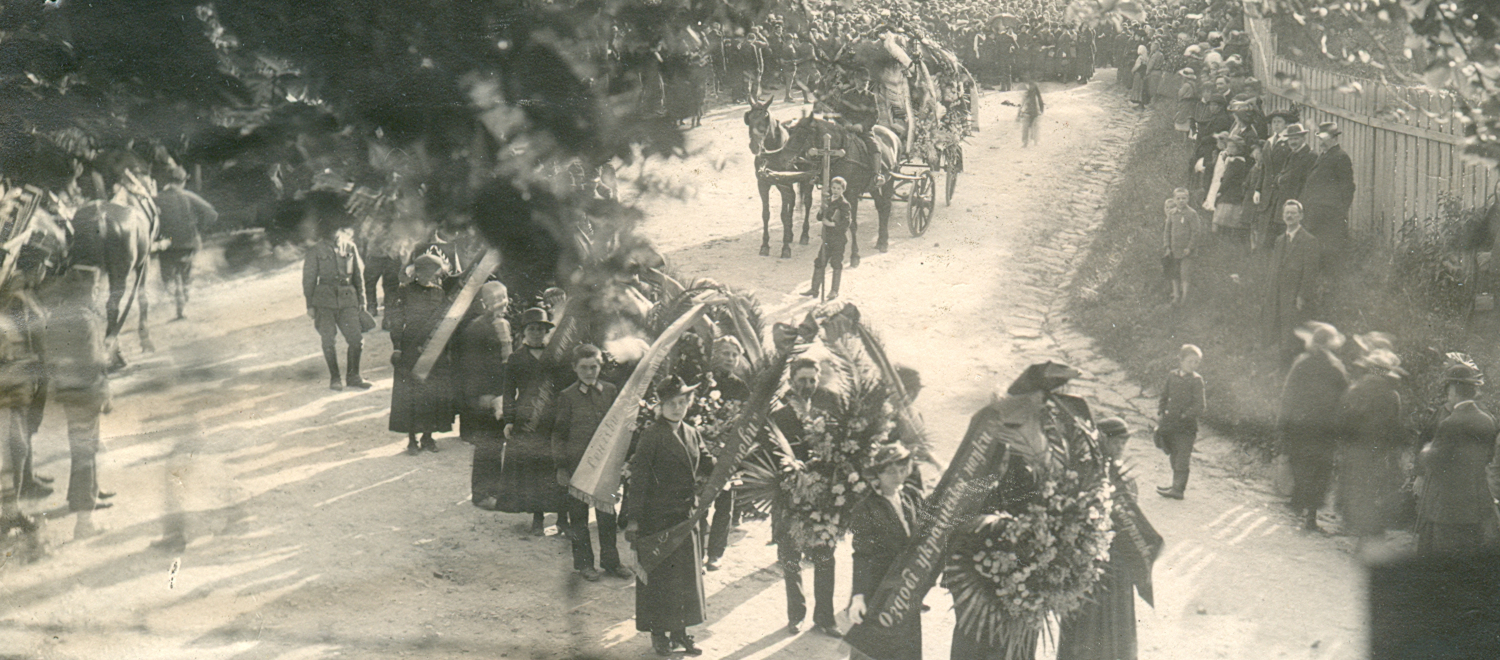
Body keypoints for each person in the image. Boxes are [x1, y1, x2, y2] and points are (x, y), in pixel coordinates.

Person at [1057, 417, 1161, 660]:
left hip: (1119, 561)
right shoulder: (1085, 471)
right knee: (1088, 622)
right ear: (1101, 441)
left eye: (1124, 441)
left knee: (1116, 620)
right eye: (1117, 441)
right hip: (1091, 560)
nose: (1121, 446)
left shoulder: (1123, 474)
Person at [626, 375, 714, 657]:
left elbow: (705, 461)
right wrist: (634, 519)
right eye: (671, 403)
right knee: (661, 577)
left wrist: (726, 465)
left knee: (685, 577)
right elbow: (638, 479)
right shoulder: (652, 435)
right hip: (658, 518)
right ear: (660, 406)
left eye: (682, 402)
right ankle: (658, 634)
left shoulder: (691, 431)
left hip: (685, 517)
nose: (678, 408)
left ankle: (680, 631)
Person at [770, 357, 842, 638]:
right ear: (791, 382)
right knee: (791, 558)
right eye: (802, 380)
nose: (808, 385)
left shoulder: (828, 414)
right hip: (791, 499)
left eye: (813, 380)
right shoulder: (780, 418)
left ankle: (824, 617)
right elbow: (771, 459)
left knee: (826, 558)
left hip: (824, 500)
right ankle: (795, 615)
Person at [552, 343, 632, 582]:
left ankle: (611, 562)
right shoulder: (567, 396)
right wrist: (561, 467)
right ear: (575, 368)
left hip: (605, 466)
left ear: (601, 366)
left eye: (594, 366)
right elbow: (559, 434)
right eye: (584, 367)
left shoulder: (610, 391)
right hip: (579, 468)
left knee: (607, 517)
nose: (590, 372)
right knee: (578, 518)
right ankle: (584, 564)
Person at [845, 442, 923, 660]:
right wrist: (858, 596)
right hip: (878, 589)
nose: (898, 476)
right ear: (877, 475)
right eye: (890, 472)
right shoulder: (866, 508)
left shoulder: (912, 496)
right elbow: (862, 554)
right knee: (873, 650)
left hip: (906, 589)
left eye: (902, 469)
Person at [1416, 363, 1497, 556]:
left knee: (1442, 554)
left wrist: (1427, 450)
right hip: (1475, 503)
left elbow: (1435, 460)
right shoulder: (1488, 420)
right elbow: (1489, 457)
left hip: (1447, 505)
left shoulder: (1450, 422)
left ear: (1453, 391)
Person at [499, 307, 566, 535]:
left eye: (541, 329)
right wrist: (509, 420)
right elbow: (508, 392)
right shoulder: (516, 358)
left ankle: (562, 517)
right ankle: (538, 517)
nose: (537, 333)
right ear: (524, 332)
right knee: (535, 470)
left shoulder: (555, 356)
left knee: (558, 466)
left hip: (554, 418)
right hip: (528, 422)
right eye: (532, 329)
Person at [1278, 322, 1350, 532]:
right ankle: (1310, 515)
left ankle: (1299, 507)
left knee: (1301, 464)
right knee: (1319, 470)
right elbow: (1344, 400)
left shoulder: (1302, 363)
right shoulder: (1336, 367)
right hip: (1324, 428)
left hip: (1301, 425)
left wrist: (1283, 424)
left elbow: (1288, 396)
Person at [1336, 348, 1407, 552]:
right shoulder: (1392, 395)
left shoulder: (1355, 389)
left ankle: (1358, 533)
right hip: (1379, 452)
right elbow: (1395, 427)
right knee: (1374, 491)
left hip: (1355, 449)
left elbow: (1341, 420)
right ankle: (1368, 537)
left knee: (1356, 490)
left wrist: (1345, 442)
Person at [388, 254, 456, 454]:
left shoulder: (439, 293)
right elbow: (397, 320)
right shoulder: (405, 291)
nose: (428, 276)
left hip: (434, 348)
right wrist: (397, 346)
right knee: (411, 393)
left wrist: (447, 350)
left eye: (432, 272)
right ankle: (412, 439)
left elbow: (445, 324)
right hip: (410, 347)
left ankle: (428, 437)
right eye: (423, 272)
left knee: (431, 392)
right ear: (416, 272)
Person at [455, 281, 511, 510]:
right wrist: (483, 395)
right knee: (487, 444)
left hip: (503, 392)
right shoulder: (476, 328)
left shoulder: (505, 324)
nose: (501, 303)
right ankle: (481, 494)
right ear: (483, 302)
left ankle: (496, 490)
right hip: (487, 395)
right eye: (495, 298)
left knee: (498, 444)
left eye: (503, 297)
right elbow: (471, 367)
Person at [302, 209, 371, 391]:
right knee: (328, 340)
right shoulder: (315, 251)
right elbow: (308, 280)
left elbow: (358, 276)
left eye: (334, 227)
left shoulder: (349, 247)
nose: (332, 231)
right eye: (327, 227)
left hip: (348, 299)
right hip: (324, 301)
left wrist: (362, 301)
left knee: (356, 339)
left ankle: (354, 376)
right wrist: (310, 305)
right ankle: (335, 378)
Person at [152, 166, 215, 320]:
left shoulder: (156, 199)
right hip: (188, 243)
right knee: (185, 274)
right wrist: (198, 229)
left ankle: (176, 301)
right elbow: (211, 213)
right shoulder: (188, 196)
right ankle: (182, 304)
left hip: (167, 245)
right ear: (183, 181)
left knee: (169, 279)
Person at [1265, 200, 1321, 366]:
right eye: (1286, 213)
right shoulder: (1280, 240)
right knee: (1281, 330)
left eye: (1293, 213)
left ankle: (1295, 369)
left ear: (1301, 216)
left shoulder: (1309, 241)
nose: (1289, 216)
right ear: (1283, 216)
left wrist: (1302, 295)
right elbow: (1274, 268)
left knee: (1294, 332)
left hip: (1295, 295)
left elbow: (1310, 272)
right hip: (1278, 294)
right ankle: (1282, 369)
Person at [1156, 344, 1206, 499]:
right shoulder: (1172, 376)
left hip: (1186, 427)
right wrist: (1161, 411)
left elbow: (1200, 406)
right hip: (1170, 423)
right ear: (1181, 360)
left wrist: (1185, 415)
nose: (1193, 365)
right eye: (1190, 361)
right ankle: (1175, 484)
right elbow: (1164, 395)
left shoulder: (1197, 381)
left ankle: (1178, 490)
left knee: (1182, 458)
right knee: (1174, 454)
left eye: (1196, 362)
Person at [1300, 122, 1356, 248]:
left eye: (1325, 139)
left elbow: (1348, 188)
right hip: (1316, 215)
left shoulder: (1340, 157)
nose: (1321, 143)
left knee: (1329, 252)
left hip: (1330, 217)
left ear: (1335, 138)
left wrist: (1338, 213)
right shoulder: (1324, 155)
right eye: (1320, 139)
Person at [802, 177, 851, 301]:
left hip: (838, 239)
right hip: (827, 238)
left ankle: (834, 291)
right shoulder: (828, 200)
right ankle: (814, 289)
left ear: (843, 190)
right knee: (820, 262)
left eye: (838, 188)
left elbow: (846, 223)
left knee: (836, 262)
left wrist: (831, 224)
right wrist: (821, 209)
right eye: (833, 188)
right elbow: (819, 217)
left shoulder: (844, 204)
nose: (835, 190)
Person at [1270, 124, 1317, 237]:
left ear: (1303, 138)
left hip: (1297, 203)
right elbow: (1282, 173)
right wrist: (1279, 179)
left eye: (1296, 138)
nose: (1292, 142)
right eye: (1290, 139)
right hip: (1285, 201)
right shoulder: (1291, 154)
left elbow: (1308, 183)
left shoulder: (1310, 156)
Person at [1206, 135, 1252, 245]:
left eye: (1232, 147)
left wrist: (1220, 191)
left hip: (1231, 193)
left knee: (1223, 220)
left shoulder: (1236, 162)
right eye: (1228, 146)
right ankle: (1224, 242)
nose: (1228, 149)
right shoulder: (1234, 161)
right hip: (1231, 192)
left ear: (1238, 149)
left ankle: (1221, 242)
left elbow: (1227, 179)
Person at [1162, 188, 1197, 305]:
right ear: (1174, 200)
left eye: (1184, 198)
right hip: (1174, 249)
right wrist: (1167, 246)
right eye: (1178, 198)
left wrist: (1190, 247)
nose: (1181, 201)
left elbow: (1195, 232)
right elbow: (1167, 231)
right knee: (1174, 273)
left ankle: (1184, 299)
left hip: (1186, 251)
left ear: (1188, 199)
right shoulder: (1172, 214)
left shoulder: (1191, 214)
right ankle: (1176, 295)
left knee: (1185, 273)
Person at [1019, 81, 1045, 148]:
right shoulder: (1025, 91)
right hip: (1027, 112)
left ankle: (1035, 142)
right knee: (1025, 128)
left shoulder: (1035, 91)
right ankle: (1025, 143)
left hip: (1034, 112)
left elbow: (1040, 99)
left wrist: (1041, 109)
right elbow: (1022, 103)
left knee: (1034, 128)